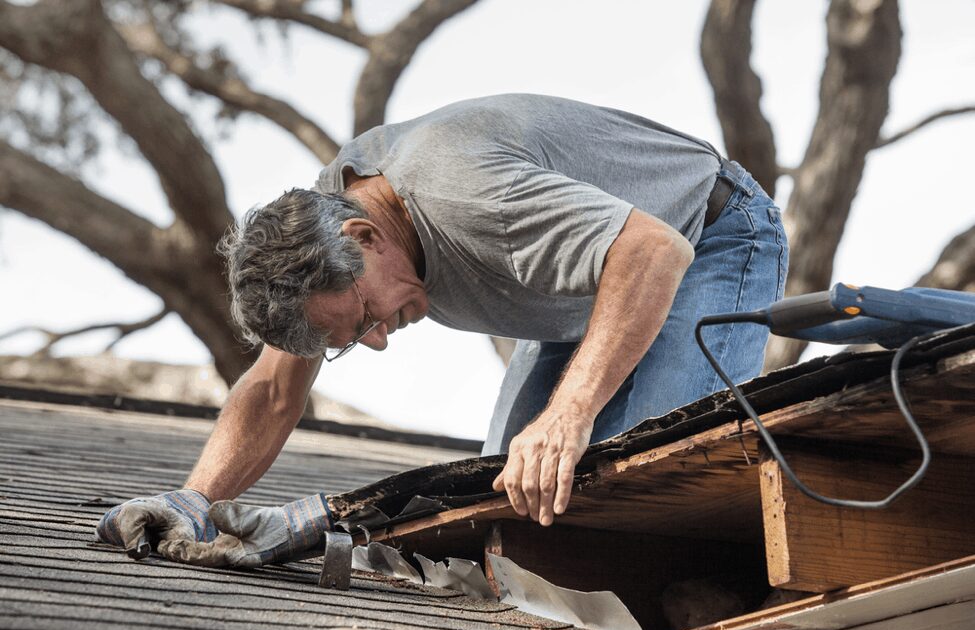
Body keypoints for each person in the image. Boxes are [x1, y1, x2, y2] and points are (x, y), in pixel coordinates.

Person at [96, 94, 788, 567]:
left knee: (652, 493)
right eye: (351, 338)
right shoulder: (318, 234)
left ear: (365, 236)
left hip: (708, 235)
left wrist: (569, 414)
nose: (377, 339)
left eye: (365, 317)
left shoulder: (463, 192)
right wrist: (194, 499)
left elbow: (651, 252)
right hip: (580, 292)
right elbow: (275, 388)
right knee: (509, 517)